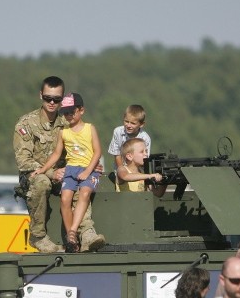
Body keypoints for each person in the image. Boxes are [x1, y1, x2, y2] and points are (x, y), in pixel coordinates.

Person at [13, 75, 104, 253]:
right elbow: (24, 161)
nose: (52, 103)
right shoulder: (26, 124)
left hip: (67, 173)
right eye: (48, 98)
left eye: (57, 99)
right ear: (41, 95)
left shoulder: (69, 120)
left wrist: (91, 166)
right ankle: (38, 236)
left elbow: (86, 147)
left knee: (81, 184)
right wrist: (50, 173)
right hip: (38, 177)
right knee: (41, 183)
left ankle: (85, 233)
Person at [33, 92, 102, 253]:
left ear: (81, 110)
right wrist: (42, 169)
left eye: (72, 111)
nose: (69, 115)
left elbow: (97, 152)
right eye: (65, 112)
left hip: (88, 169)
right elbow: (57, 154)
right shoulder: (64, 132)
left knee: (84, 193)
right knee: (65, 199)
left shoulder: (89, 128)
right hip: (71, 169)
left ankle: (72, 232)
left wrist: (88, 171)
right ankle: (72, 239)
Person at [107, 105, 152, 192]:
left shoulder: (145, 138)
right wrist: (122, 169)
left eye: (133, 123)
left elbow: (145, 159)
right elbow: (117, 154)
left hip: (138, 171)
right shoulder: (118, 132)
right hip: (122, 170)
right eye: (126, 121)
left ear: (141, 124)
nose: (128, 125)